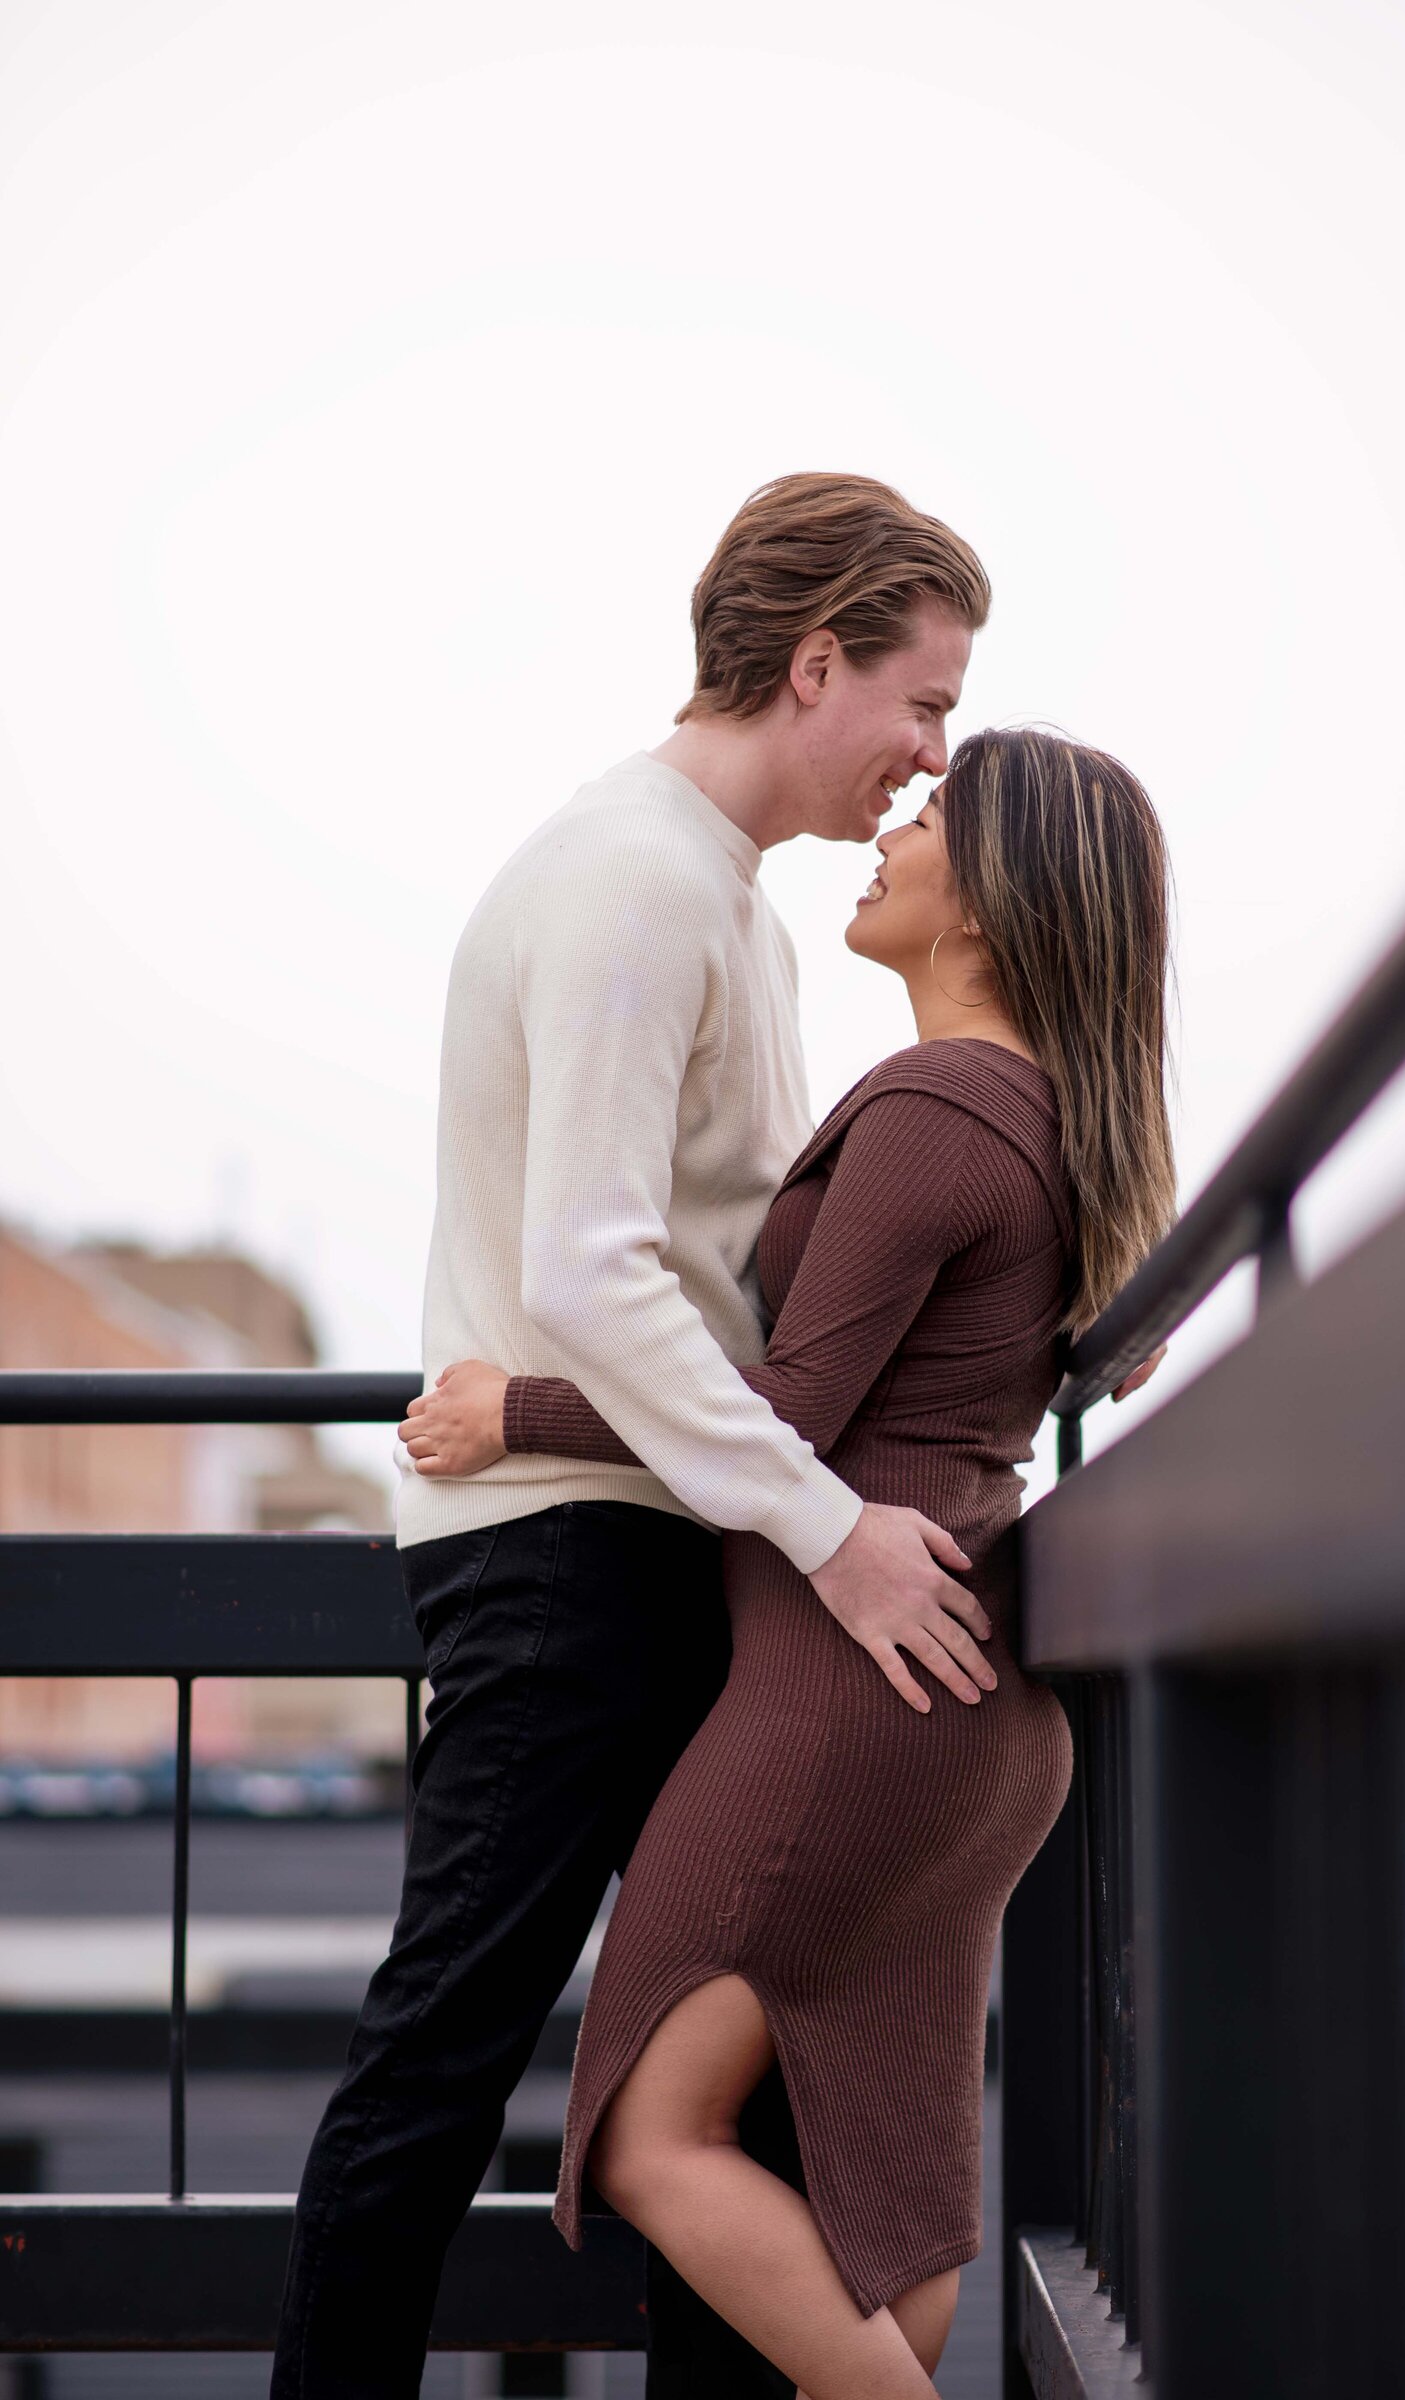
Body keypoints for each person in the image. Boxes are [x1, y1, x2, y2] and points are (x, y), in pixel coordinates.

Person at [269, 472, 1003, 2400]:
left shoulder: (726, 910)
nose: (931, 761)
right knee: (449, 2057)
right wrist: (836, 1528)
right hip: (566, 1561)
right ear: (815, 657)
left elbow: (750, 1291)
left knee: (724, 2081)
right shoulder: (632, 880)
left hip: (667, 1540)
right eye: (919, 704)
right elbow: (590, 1274)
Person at [403, 725, 1176, 2399]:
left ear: (994, 900)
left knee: (646, 2140)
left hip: (850, 1701)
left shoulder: (940, 1101)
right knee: (880, 2244)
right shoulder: (1062, 1124)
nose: (896, 824)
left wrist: (510, 1406)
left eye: (936, 818)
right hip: (977, 1717)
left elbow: (792, 1410)